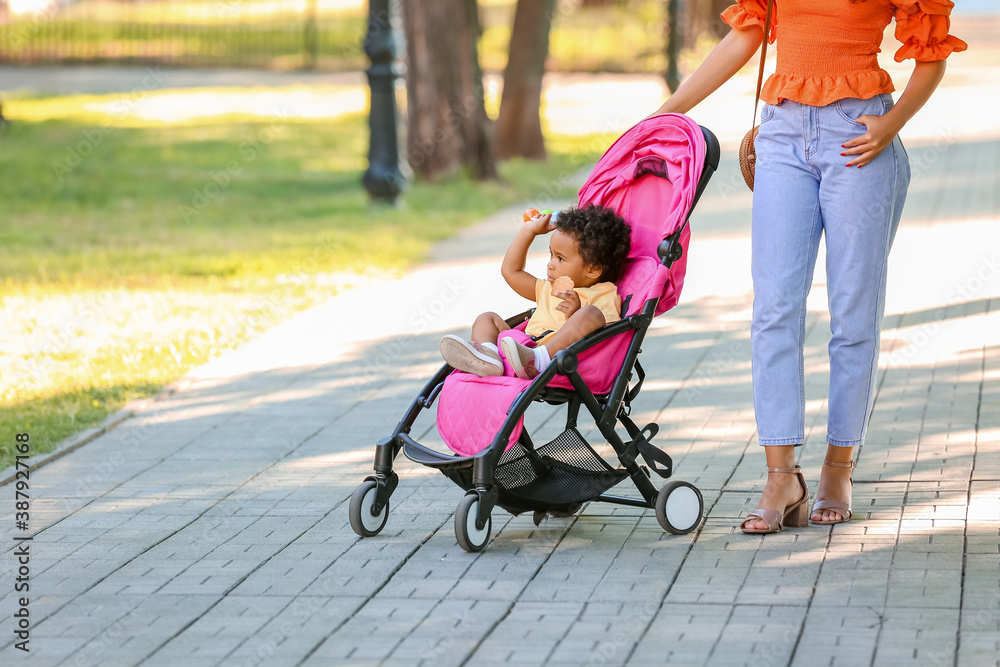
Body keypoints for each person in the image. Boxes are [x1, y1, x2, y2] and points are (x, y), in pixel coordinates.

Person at [650, 0, 966, 533]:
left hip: (857, 138)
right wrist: (665, 113)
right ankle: (781, 477)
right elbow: (746, 36)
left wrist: (890, 125)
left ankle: (838, 468)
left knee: (853, 312)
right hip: (781, 135)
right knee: (773, 309)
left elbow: (931, 56)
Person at [439, 205, 630, 380]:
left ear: (593, 269)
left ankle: (539, 361)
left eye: (560, 259)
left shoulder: (604, 293)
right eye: (551, 255)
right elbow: (511, 271)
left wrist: (574, 314)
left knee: (590, 314)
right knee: (486, 318)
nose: (550, 264)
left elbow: (608, 335)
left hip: (560, 359)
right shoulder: (548, 288)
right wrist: (528, 231)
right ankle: (490, 359)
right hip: (520, 349)